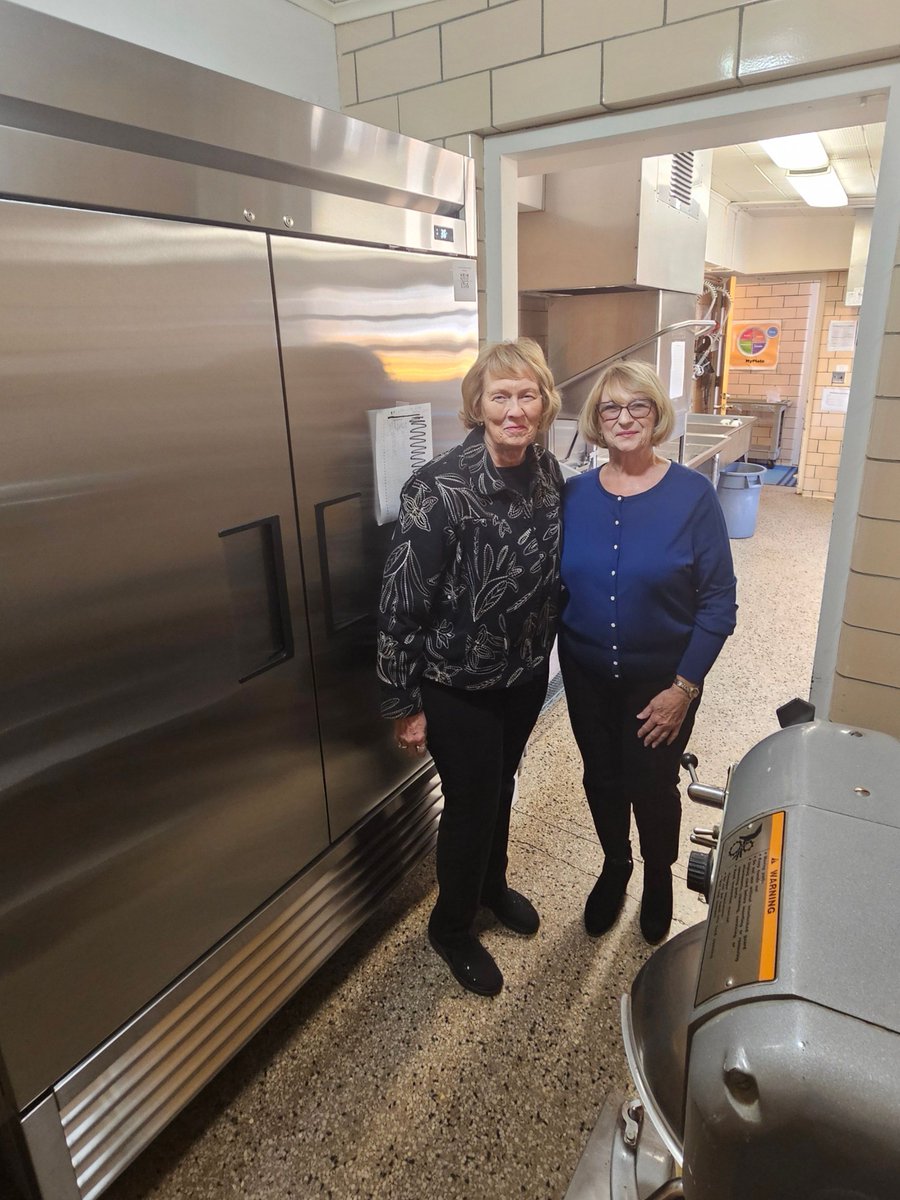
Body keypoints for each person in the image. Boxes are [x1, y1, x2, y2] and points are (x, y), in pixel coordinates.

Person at [377, 339, 563, 997]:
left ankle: (491, 887)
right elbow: (402, 601)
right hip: (456, 687)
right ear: (477, 406)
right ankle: (452, 927)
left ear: (543, 403)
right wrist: (403, 702)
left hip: (522, 676)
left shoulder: (546, 472)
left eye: (527, 394)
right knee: (471, 803)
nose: (515, 409)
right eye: (501, 396)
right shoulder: (439, 489)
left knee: (502, 785)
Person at [559, 359, 736, 945]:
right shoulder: (575, 494)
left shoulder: (692, 496)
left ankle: (657, 878)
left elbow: (718, 605)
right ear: (595, 420)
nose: (624, 417)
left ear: (657, 414)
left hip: (662, 681)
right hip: (586, 676)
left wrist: (683, 689)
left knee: (652, 784)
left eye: (638, 405)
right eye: (611, 407)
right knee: (600, 778)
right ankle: (616, 865)